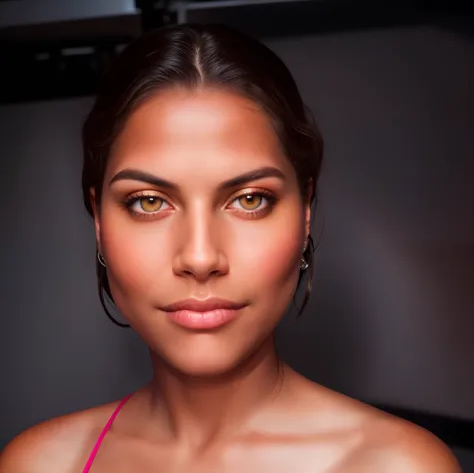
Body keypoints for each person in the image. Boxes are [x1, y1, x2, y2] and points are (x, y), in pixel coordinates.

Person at [0, 24, 460, 473]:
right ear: (99, 221)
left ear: (304, 213)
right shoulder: (41, 463)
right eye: (149, 202)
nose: (200, 258)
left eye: (249, 200)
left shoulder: (397, 465)